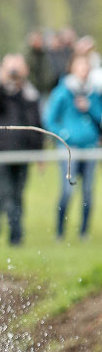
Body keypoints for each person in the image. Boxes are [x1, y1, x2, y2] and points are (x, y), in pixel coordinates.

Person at [0, 54, 43, 246]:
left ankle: (16, 237)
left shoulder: (29, 94)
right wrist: (3, 80)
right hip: (0, 153)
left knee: (17, 196)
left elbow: (36, 124)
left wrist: (39, 152)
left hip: (23, 153)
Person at [45, 54, 102, 239]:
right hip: (70, 149)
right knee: (68, 190)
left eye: (86, 66)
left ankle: (83, 233)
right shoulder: (63, 91)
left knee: (88, 192)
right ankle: (60, 231)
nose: (84, 70)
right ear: (73, 68)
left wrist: (90, 108)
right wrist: (64, 135)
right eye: (80, 66)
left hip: (91, 147)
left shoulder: (95, 93)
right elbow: (50, 119)